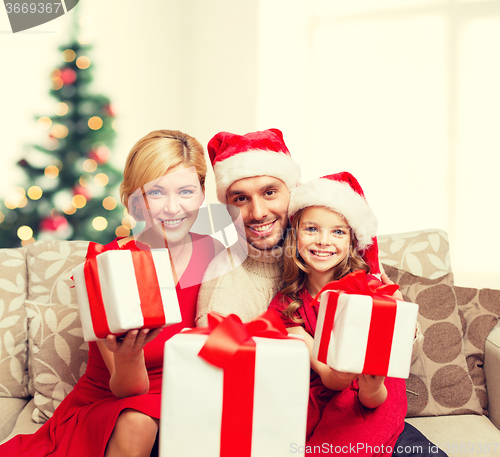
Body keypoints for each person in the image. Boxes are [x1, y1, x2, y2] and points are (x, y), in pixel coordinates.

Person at [0, 129, 224, 457]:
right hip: (117, 402)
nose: (172, 207)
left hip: (187, 397)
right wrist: (129, 354)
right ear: (136, 202)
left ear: (203, 193)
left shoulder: (220, 254)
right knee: (139, 421)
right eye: (156, 192)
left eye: (186, 191)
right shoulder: (110, 263)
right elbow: (125, 388)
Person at [268, 172, 446, 457]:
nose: (324, 241)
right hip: (331, 398)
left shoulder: (372, 291)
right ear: (294, 236)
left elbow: (379, 393)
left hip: (378, 397)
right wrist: (346, 371)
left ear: (352, 242)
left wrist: (399, 323)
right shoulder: (287, 307)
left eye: (338, 231)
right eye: (311, 229)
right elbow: (331, 378)